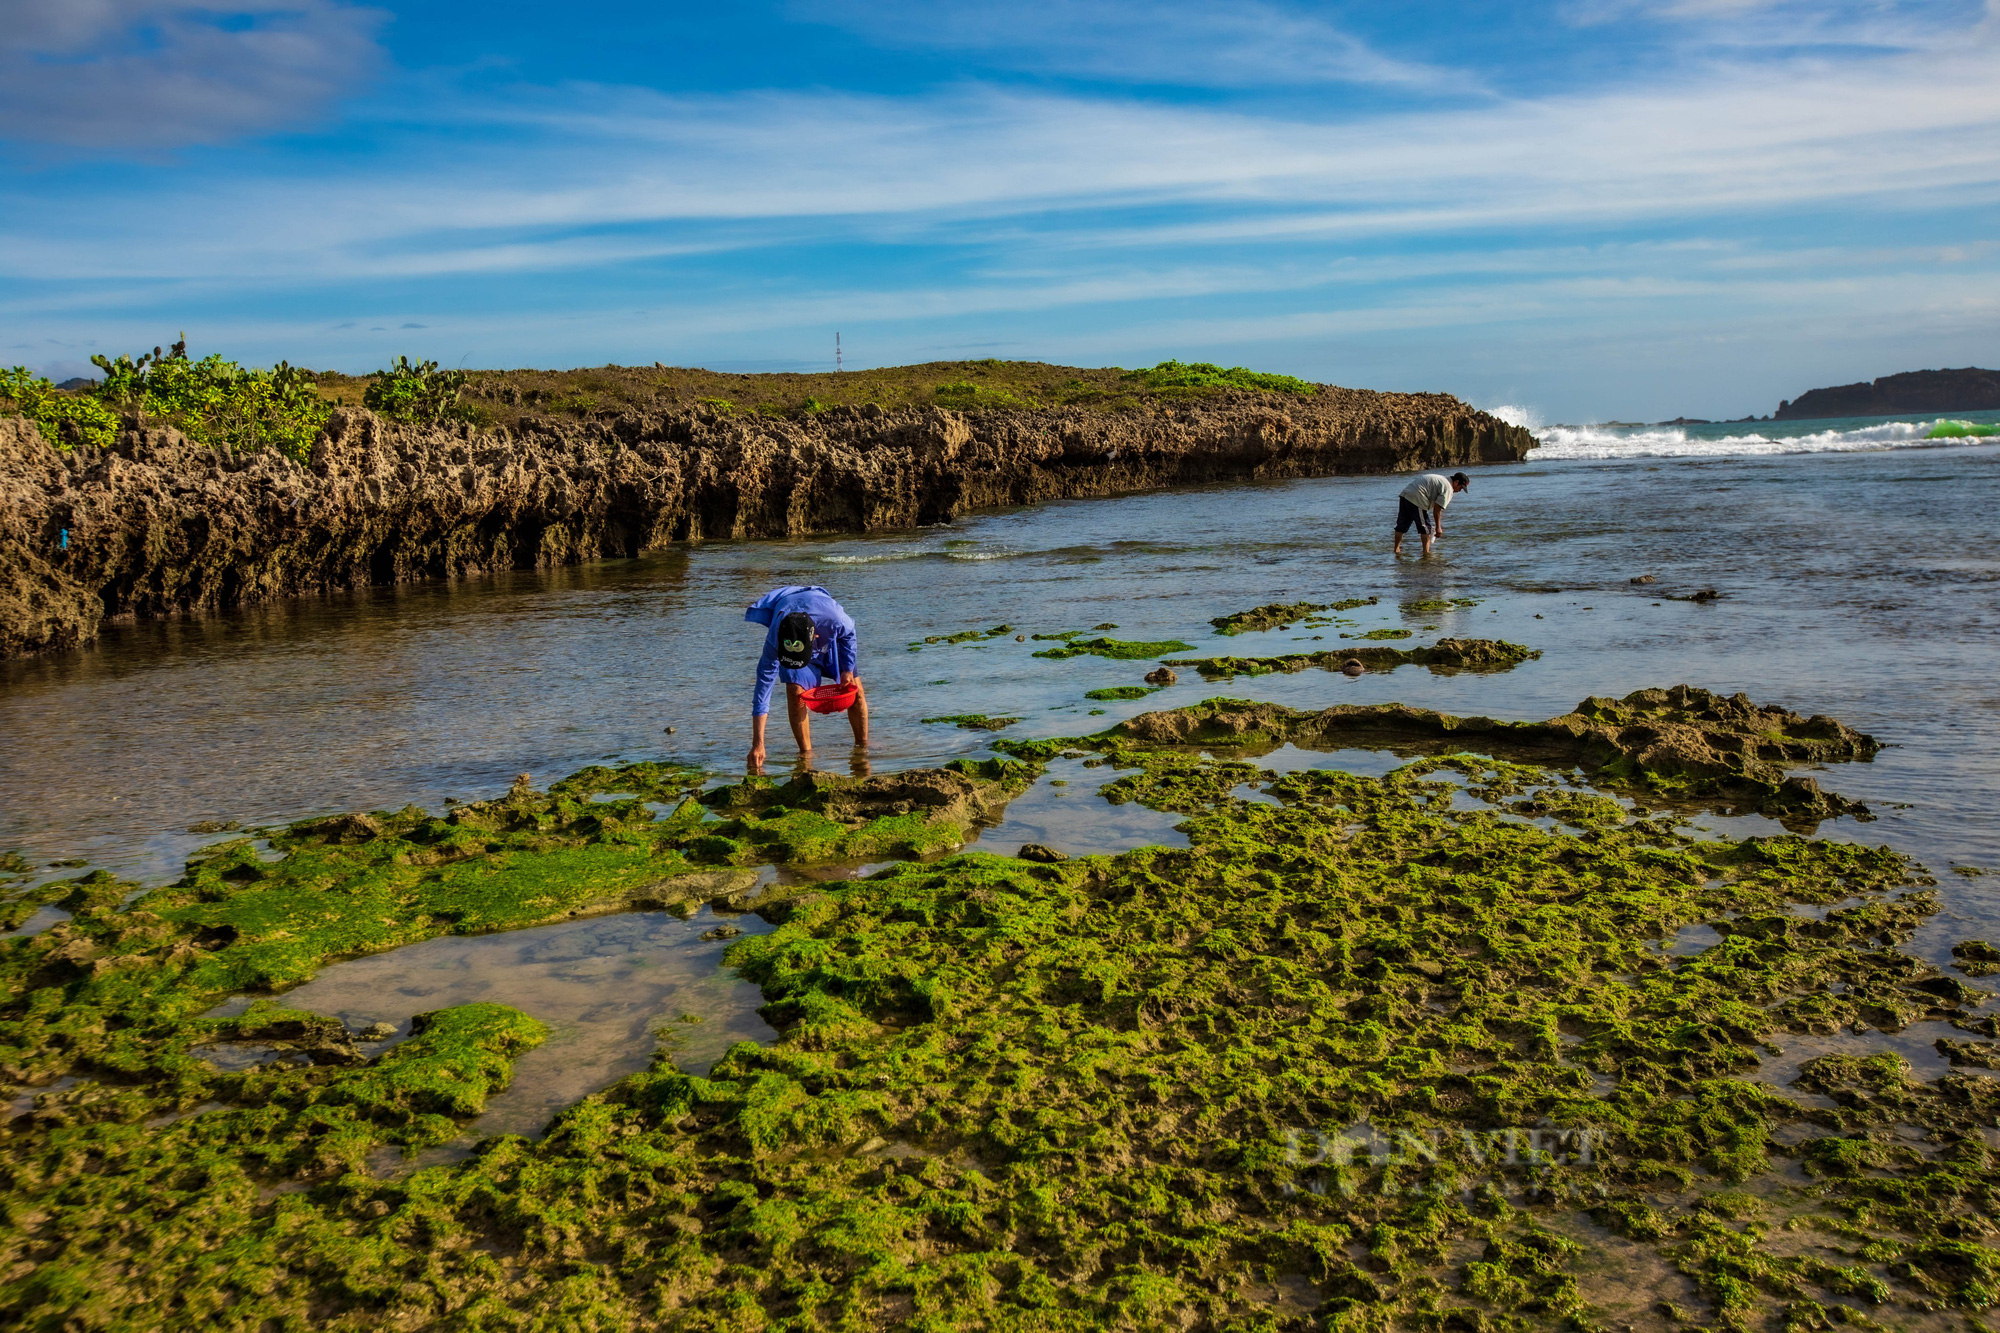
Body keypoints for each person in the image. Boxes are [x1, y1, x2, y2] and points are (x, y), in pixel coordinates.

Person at [744, 585, 868, 769]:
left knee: (854, 690)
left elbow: (849, 634)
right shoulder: (775, 640)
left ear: (815, 636)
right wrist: (757, 743)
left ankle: (862, 747)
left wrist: (847, 670)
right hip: (793, 635)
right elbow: (763, 690)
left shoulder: (834, 618)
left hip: (828, 639)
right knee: (795, 692)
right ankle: (806, 756)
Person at [1392, 470, 1470, 557]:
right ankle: (1426, 554)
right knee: (1426, 529)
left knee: (1401, 526)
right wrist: (1438, 527)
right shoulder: (1448, 488)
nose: (1460, 490)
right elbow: (1437, 509)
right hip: (1417, 496)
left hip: (1406, 493)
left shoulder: (1441, 479)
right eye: (1461, 488)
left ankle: (1396, 550)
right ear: (1456, 482)